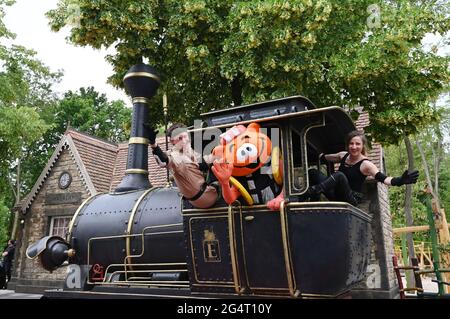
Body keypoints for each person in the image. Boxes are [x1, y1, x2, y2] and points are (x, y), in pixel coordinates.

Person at [307, 130, 419, 206]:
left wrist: (400, 181)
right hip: (335, 194)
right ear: (347, 145)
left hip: (351, 198)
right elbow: (324, 158)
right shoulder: (342, 155)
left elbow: (384, 179)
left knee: (339, 176)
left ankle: (311, 192)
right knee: (313, 173)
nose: (354, 147)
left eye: (357, 144)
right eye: (351, 143)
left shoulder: (366, 164)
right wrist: (313, 153)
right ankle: (312, 201)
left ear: (362, 146)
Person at [149, 123, 219, 209]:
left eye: (185, 136)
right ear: (172, 141)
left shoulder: (190, 152)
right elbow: (164, 160)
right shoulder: (174, 155)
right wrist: (154, 145)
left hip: (201, 195)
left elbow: (205, 160)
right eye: (180, 138)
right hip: (206, 196)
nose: (184, 140)